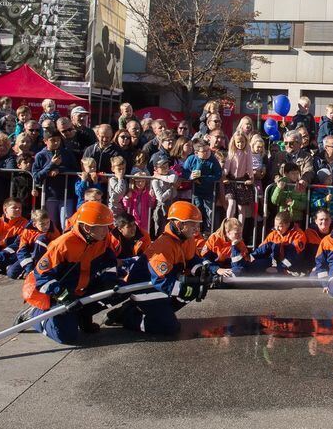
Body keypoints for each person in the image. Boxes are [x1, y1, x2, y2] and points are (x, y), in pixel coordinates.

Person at [16, 202, 122, 344]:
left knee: (118, 291)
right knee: (66, 336)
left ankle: (82, 315)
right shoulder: (63, 245)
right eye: (102, 227)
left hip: (79, 289)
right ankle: (35, 314)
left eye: (107, 226)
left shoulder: (102, 239)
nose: (106, 230)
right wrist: (64, 296)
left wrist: (109, 280)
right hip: (55, 294)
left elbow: (109, 262)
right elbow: (42, 278)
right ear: (87, 227)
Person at [106, 201, 212, 336]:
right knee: (169, 328)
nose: (197, 228)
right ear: (180, 225)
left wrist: (200, 270)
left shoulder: (187, 238)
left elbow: (191, 259)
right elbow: (161, 281)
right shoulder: (164, 246)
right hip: (145, 289)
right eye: (193, 224)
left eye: (198, 224)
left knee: (195, 286)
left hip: (160, 285)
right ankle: (129, 317)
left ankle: (151, 311)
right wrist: (187, 290)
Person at [33, 130, 78, 232]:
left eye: (58, 140)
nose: (56, 143)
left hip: (66, 195)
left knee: (66, 224)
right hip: (49, 196)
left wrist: (60, 170)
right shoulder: (40, 155)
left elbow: (75, 170)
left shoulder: (67, 153)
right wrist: (51, 165)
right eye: (53, 140)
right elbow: (36, 176)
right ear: (45, 141)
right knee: (51, 224)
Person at [182, 139, 222, 233]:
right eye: (204, 151)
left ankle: (208, 231)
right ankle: (196, 231)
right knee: (197, 209)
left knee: (209, 211)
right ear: (196, 152)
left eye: (208, 150)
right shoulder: (191, 159)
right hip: (196, 192)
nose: (207, 153)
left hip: (209, 191)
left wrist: (204, 178)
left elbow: (218, 174)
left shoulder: (213, 160)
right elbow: (184, 171)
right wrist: (191, 176)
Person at [251, 210, 307, 275]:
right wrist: (251, 256)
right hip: (275, 262)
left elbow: (292, 257)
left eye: (280, 226)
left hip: (292, 267)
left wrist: (279, 268)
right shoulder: (274, 234)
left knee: (272, 276)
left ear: (288, 224)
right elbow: (262, 248)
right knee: (254, 265)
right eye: (275, 225)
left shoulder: (298, 235)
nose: (277, 229)